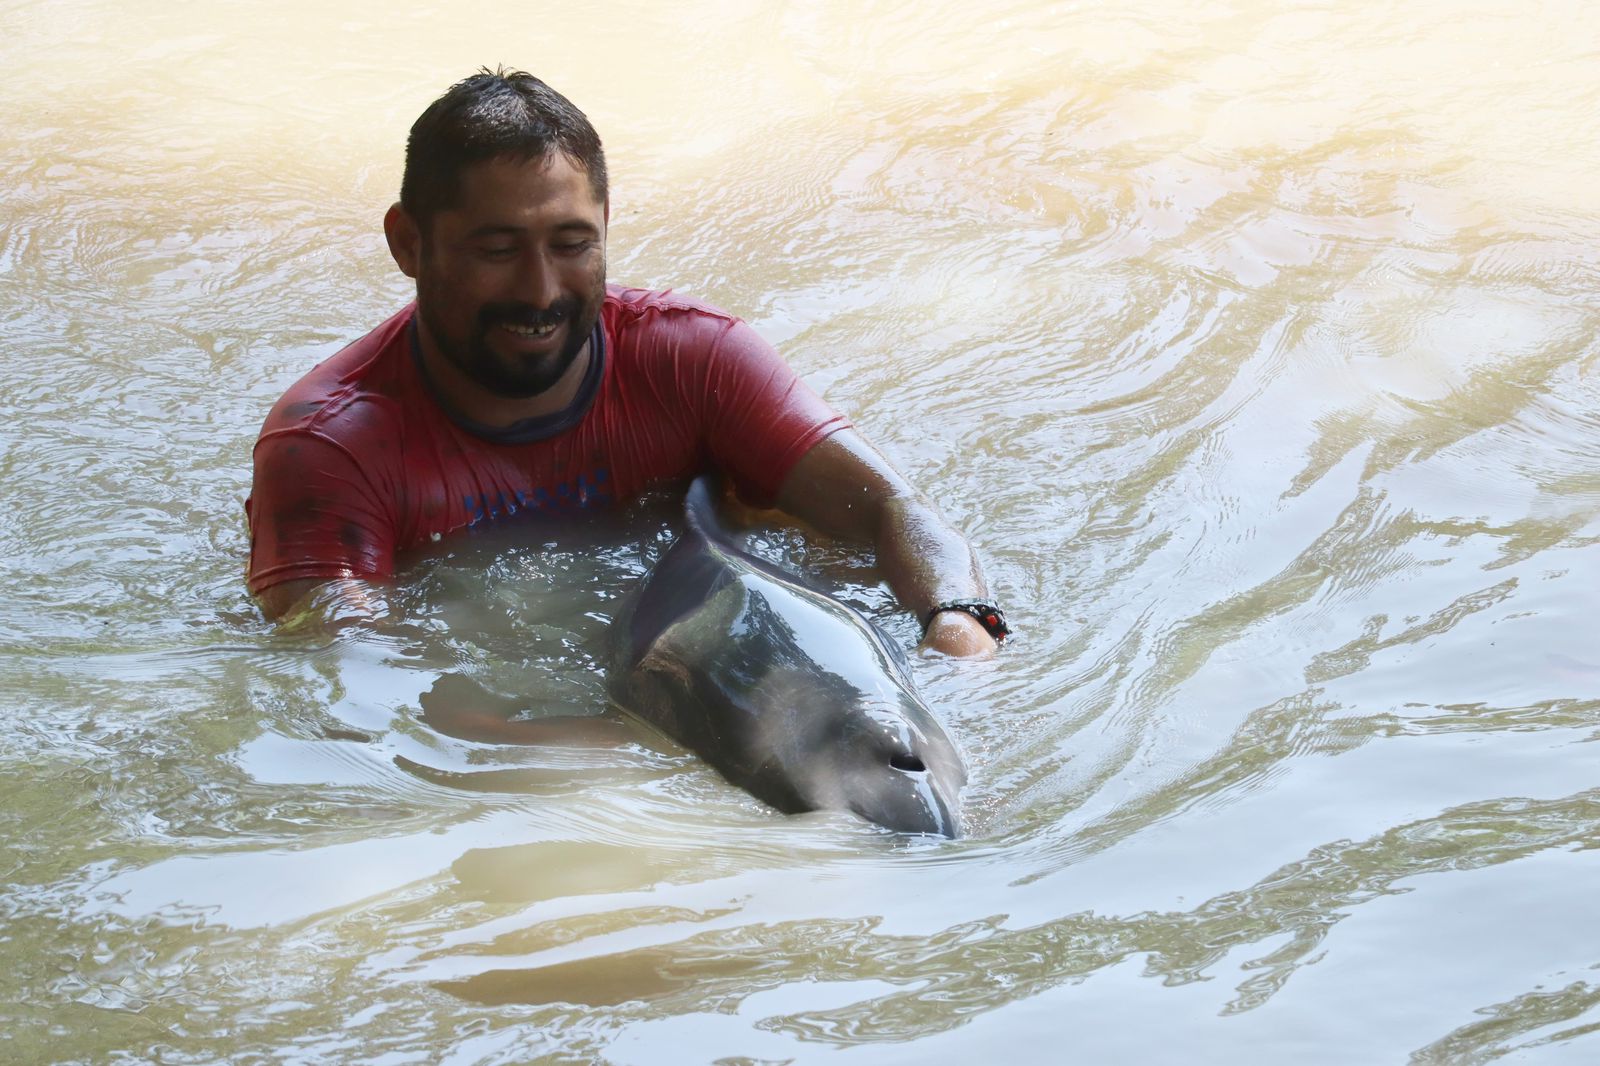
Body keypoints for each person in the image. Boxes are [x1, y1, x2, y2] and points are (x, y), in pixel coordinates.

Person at [245, 68, 1008, 658]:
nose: (540, 291)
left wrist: (961, 623)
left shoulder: (690, 359)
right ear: (408, 244)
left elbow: (892, 509)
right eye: (497, 249)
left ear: (607, 225)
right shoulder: (329, 449)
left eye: (572, 244)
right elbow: (355, 678)